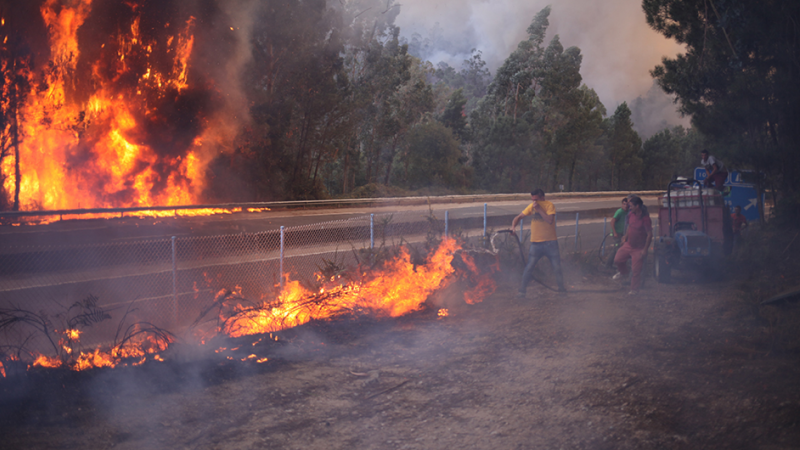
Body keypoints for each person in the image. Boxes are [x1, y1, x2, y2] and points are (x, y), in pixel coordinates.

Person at [511, 189, 567, 296]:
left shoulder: (549, 206)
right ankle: (522, 291)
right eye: (532, 200)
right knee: (529, 267)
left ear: (542, 198)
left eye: (536, 199)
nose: (534, 202)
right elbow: (518, 217)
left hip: (551, 243)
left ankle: (562, 290)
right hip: (536, 244)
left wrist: (539, 210)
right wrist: (513, 227)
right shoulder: (531, 207)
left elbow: (550, 220)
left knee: (557, 267)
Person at [613, 196, 652, 294]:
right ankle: (624, 273)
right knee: (617, 259)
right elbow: (629, 226)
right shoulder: (631, 214)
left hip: (639, 248)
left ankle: (634, 290)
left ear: (637, 206)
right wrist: (625, 237)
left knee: (636, 271)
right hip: (628, 244)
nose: (629, 208)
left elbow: (650, 235)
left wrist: (645, 249)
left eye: (631, 206)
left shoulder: (645, 218)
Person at [605, 197, 629, 269]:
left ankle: (618, 264)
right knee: (617, 249)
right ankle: (609, 265)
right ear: (622, 205)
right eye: (624, 204)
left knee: (622, 249)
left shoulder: (628, 212)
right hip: (617, 233)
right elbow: (612, 222)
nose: (625, 206)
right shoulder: (619, 212)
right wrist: (615, 233)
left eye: (627, 204)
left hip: (623, 234)